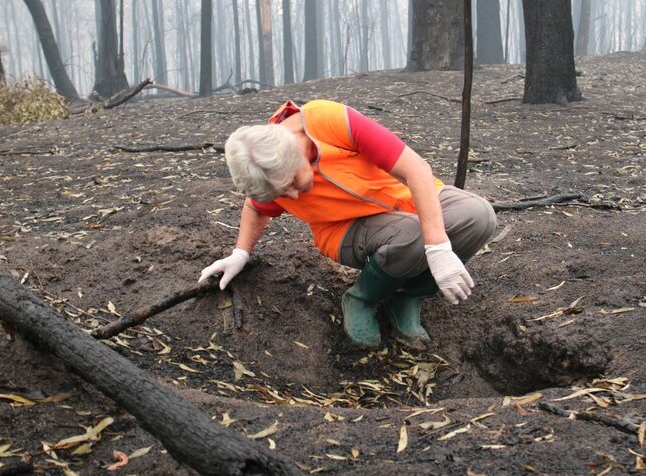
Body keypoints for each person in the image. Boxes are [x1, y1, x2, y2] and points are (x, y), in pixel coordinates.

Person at [199, 100, 497, 350]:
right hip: (343, 228)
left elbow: (415, 169)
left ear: (297, 152)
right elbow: (257, 208)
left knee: (478, 216)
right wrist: (240, 253)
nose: (289, 198)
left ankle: (409, 296)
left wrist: (439, 248)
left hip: (403, 199)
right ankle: (362, 299)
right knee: (413, 236)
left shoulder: (329, 121)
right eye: (281, 194)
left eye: (290, 183)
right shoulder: (268, 176)